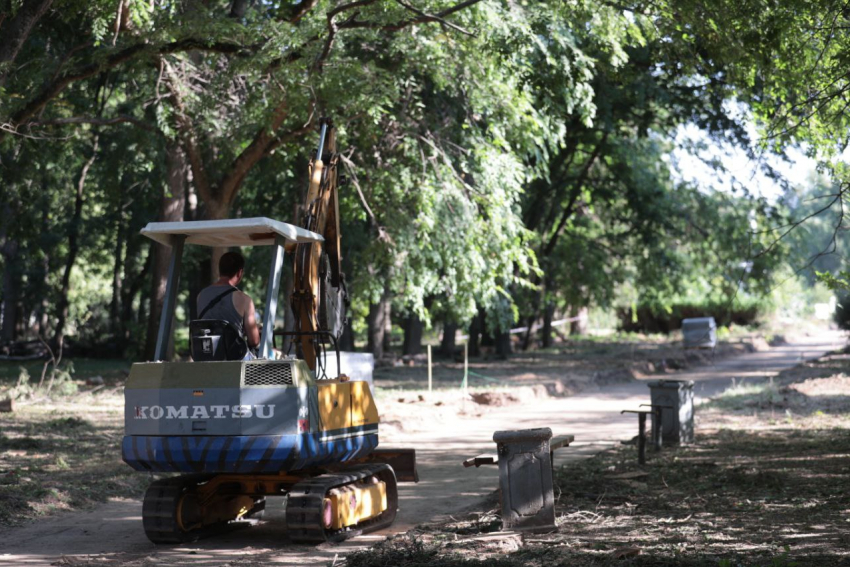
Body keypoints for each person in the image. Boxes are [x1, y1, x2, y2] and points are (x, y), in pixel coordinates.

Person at [196, 252, 261, 355]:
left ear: (220, 270)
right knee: (275, 354)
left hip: (206, 355)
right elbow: (254, 341)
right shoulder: (244, 300)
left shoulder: (201, 295)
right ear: (240, 273)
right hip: (233, 359)